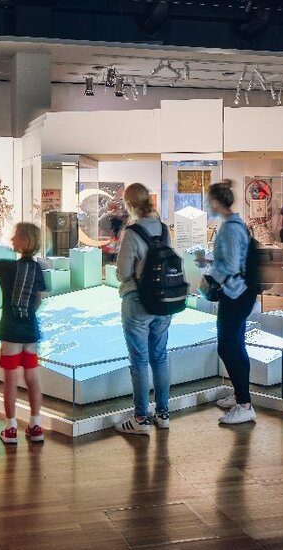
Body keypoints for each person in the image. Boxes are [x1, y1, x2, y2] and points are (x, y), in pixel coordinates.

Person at [0, 222, 47, 445]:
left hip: (10, 330)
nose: (11, 240)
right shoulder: (37, 269)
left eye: (15, 237)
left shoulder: (7, 267)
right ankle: (35, 425)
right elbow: (38, 299)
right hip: (30, 330)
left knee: (10, 379)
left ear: (23, 241)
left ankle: (11, 427)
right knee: (32, 376)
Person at [114, 183, 173, 435]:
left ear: (129, 204)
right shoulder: (163, 228)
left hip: (138, 303)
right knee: (159, 357)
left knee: (139, 361)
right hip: (164, 301)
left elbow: (122, 273)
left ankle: (141, 418)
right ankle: (163, 413)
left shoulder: (132, 232)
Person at [198, 180, 257, 425]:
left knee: (227, 347)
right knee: (236, 346)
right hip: (239, 293)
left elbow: (231, 266)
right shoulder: (233, 225)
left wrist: (209, 270)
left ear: (215, 201)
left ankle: (245, 405)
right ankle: (241, 396)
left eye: (208, 200)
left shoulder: (231, 228)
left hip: (235, 295)